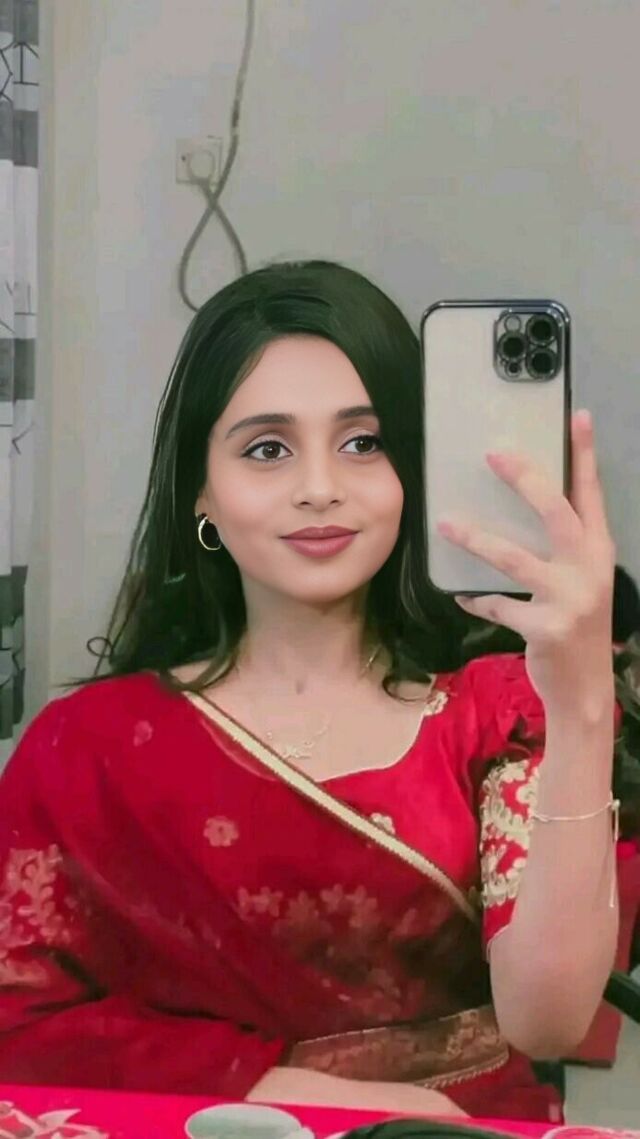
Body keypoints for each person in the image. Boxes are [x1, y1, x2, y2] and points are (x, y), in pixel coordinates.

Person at [0, 262, 618, 1121]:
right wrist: (298, 1095)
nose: (320, 486)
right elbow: (20, 1017)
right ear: (201, 492)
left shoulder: (495, 711)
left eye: (364, 443)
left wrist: (583, 698)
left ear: (414, 470)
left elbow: (548, 1020)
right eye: (267, 449)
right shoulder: (89, 747)